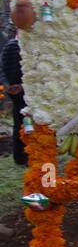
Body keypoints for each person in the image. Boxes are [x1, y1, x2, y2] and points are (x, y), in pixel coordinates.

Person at [3, 29, 26, 167]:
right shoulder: (12, 46)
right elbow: (3, 68)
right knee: (20, 121)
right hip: (17, 91)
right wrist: (7, 86)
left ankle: (31, 153)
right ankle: (21, 156)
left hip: (26, 88)